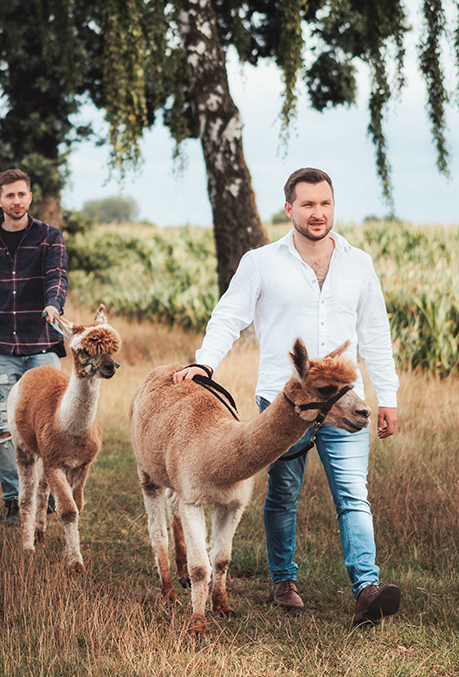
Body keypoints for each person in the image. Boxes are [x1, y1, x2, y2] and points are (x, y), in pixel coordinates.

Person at [172, 167, 401, 626]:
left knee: (353, 495)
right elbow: (229, 315)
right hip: (285, 405)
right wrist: (205, 363)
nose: (318, 213)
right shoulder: (261, 262)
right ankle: (283, 579)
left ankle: (366, 589)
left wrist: (388, 395)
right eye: (308, 204)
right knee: (283, 494)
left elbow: (375, 332)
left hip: (342, 402)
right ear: (289, 208)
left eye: (325, 203)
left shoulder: (358, 263)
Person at [0, 169, 68, 527]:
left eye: (22, 194)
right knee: (4, 428)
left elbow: (57, 277)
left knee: (50, 427)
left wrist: (54, 304)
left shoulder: (49, 237)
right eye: (9, 195)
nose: (16, 201)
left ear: (30, 197)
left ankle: (49, 494)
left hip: (41, 344)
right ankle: (15, 500)